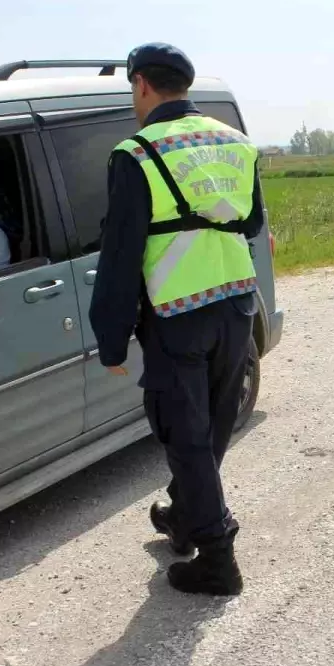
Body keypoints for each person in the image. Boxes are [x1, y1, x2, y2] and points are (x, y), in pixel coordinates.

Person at [88, 42, 264, 596]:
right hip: (236, 303)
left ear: (141, 84)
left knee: (185, 435)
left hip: (177, 314)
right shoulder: (236, 143)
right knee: (211, 426)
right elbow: (253, 223)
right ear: (184, 85)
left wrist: (111, 340)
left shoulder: (135, 153)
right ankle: (185, 517)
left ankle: (217, 556)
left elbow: (120, 256)